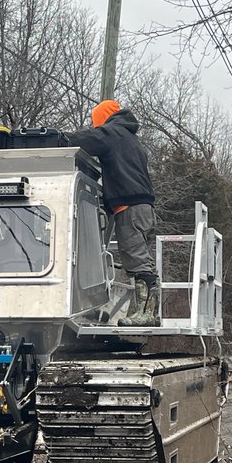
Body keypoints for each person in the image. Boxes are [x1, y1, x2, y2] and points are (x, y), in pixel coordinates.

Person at [69, 99, 159, 327]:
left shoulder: (112, 133)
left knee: (136, 259)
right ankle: (146, 311)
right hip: (143, 208)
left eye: (96, 121)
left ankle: (147, 315)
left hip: (131, 208)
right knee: (141, 259)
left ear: (102, 118)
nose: (96, 126)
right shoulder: (130, 138)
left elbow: (87, 140)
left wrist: (59, 138)